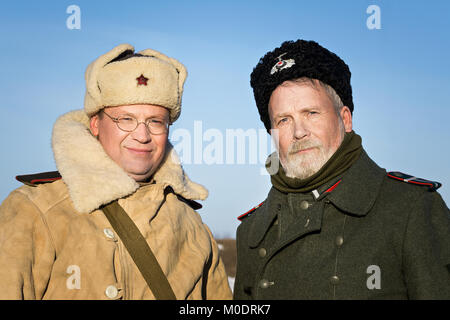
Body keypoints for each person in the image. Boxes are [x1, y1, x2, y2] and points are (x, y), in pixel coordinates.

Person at [0, 44, 232, 300]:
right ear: (96, 124)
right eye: (126, 119)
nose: (142, 136)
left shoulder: (193, 227)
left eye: (155, 121)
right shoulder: (34, 211)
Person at [234, 39, 450, 299]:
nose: (299, 132)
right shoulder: (252, 230)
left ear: (345, 119)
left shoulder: (410, 209)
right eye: (284, 120)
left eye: (311, 113)